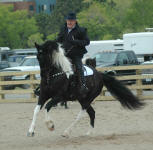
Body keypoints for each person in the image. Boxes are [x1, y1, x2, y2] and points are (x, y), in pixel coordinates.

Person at [56, 12, 90, 94]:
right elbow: (58, 39)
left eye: (71, 20)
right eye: (68, 20)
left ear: (75, 21)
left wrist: (75, 42)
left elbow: (87, 42)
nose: (69, 22)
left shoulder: (81, 30)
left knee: (78, 66)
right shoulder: (63, 29)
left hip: (76, 55)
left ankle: (83, 85)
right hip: (64, 54)